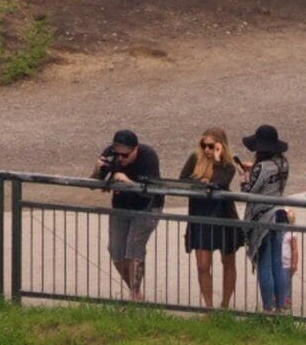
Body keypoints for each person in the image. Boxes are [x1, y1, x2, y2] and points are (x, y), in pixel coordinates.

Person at [94, 128, 164, 298]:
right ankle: (135, 291)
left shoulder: (148, 157)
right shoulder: (110, 154)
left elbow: (151, 191)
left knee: (133, 249)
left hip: (147, 206)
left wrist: (128, 183)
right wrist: (98, 169)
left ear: (135, 149)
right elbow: (94, 183)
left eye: (125, 155)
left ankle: (134, 294)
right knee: (116, 252)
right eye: (118, 154)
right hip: (121, 206)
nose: (120, 159)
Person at [180, 127, 242, 310]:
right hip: (200, 214)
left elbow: (221, 183)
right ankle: (208, 307)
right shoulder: (194, 159)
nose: (206, 150)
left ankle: (225, 306)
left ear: (220, 146)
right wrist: (201, 183)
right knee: (202, 265)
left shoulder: (228, 164)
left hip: (223, 215)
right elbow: (182, 180)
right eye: (203, 145)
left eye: (211, 146)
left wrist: (216, 161)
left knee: (228, 261)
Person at [240, 124, 298, 313]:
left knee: (264, 264)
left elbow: (250, 191)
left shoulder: (262, 167)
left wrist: (244, 177)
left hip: (263, 218)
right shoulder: (283, 163)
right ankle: (280, 306)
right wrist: (253, 170)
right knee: (277, 263)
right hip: (279, 213)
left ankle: (268, 307)